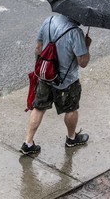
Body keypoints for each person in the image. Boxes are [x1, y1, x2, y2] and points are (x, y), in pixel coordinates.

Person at [20, 14, 92, 155]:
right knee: (71, 109)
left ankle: (28, 143)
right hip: (66, 80)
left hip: (45, 76)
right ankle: (71, 138)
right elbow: (82, 62)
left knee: (39, 108)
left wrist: (43, 69)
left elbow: (38, 48)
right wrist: (87, 46)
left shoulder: (49, 20)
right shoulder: (75, 32)